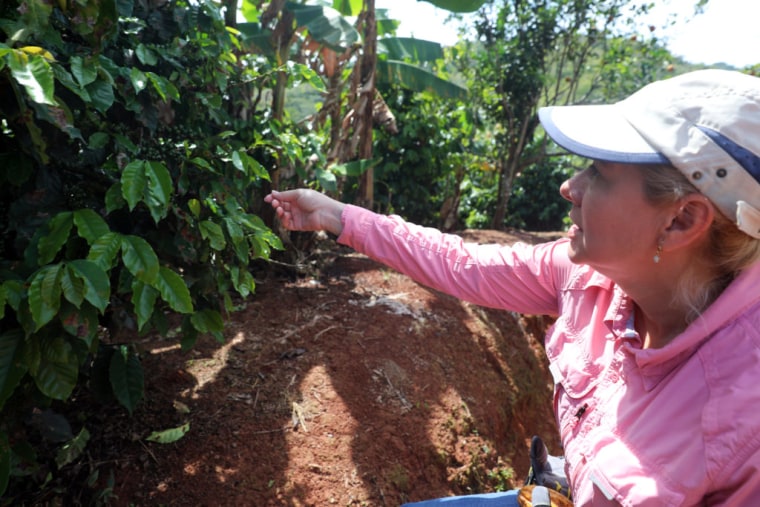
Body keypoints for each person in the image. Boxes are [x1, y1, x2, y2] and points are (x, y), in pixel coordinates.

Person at [265, 69, 760, 506]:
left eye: (600, 173)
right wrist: (337, 216)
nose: (571, 186)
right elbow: (462, 263)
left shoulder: (743, 419)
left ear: (681, 219)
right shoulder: (588, 277)